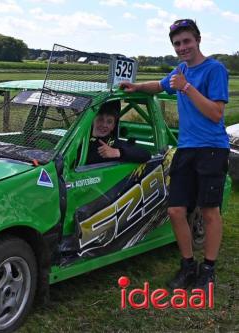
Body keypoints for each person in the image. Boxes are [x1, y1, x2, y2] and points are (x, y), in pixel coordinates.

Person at [120, 19, 229, 290]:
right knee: (176, 210)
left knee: (209, 211)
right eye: (177, 43)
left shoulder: (215, 70)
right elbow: (159, 85)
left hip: (212, 149)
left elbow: (216, 113)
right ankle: (187, 265)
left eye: (186, 41)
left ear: (198, 40)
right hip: (186, 149)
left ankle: (208, 270)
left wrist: (187, 88)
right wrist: (135, 88)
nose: (182, 47)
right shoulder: (179, 71)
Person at [87, 100, 151, 164]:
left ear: (113, 126)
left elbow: (146, 154)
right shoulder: (82, 138)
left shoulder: (114, 143)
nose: (104, 125)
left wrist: (117, 152)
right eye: (100, 119)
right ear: (93, 121)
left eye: (109, 122)